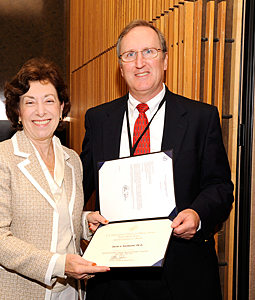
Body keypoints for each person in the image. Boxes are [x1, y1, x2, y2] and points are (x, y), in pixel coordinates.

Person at [80, 20, 234, 300]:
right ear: (120, 65)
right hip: (114, 274)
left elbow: (220, 185)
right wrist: (84, 218)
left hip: (181, 272)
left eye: (149, 52)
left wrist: (198, 215)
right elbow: (78, 189)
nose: (139, 62)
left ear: (165, 59)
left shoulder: (201, 117)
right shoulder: (98, 119)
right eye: (129, 55)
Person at [0, 58, 109, 300]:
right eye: (30, 102)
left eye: (49, 100)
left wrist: (85, 221)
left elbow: (55, 215)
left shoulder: (72, 160)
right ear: (18, 111)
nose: (41, 111)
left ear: (61, 107)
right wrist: (59, 265)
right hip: (13, 291)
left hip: (68, 291)